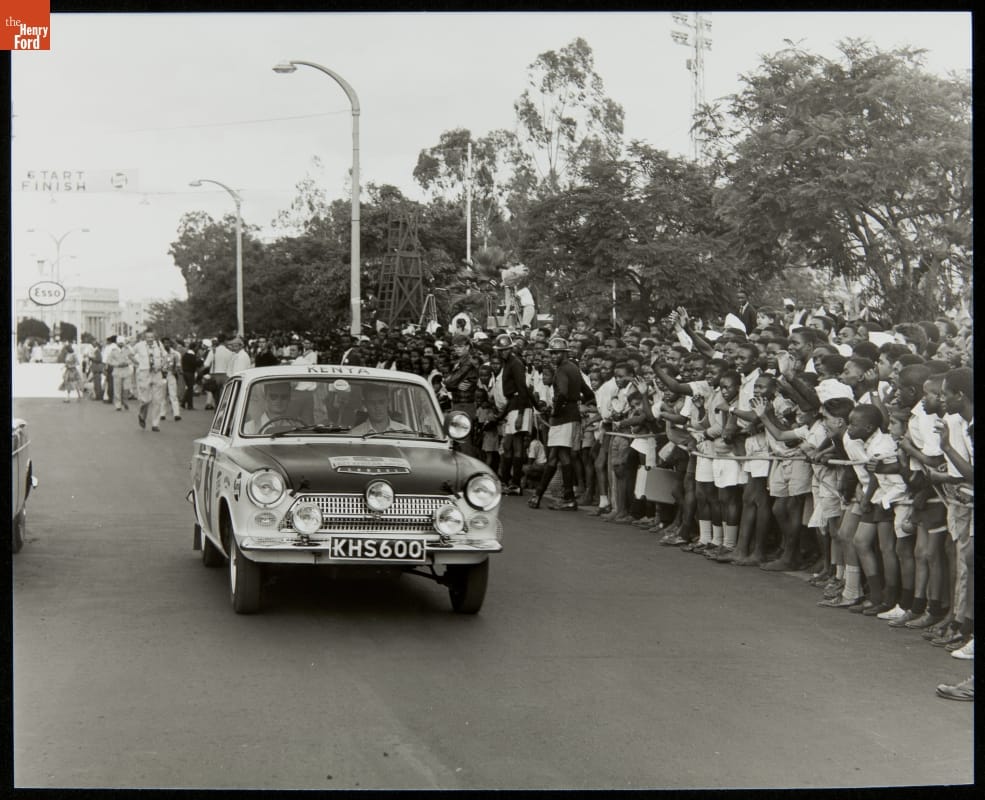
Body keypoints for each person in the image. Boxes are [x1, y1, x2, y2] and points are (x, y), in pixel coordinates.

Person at [527, 338, 591, 511]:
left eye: (557, 353)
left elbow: (562, 394)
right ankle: (542, 495)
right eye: (552, 352)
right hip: (569, 416)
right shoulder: (574, 369)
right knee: (557, 456)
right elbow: (588, 393)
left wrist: (556, 410)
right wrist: (580, 404)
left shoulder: (563, 370)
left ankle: (565, 498)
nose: (554, 355)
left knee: (561, 456)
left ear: (565, 353)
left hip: (563, 417)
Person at [132, 328, 167, 432]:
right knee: (145, 400)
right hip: (145, 373)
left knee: (157, 400)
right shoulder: (139, 345)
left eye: (152, 337)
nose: (150, 339)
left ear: (154, 337)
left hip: (157, 373)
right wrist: (137, 364)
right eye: (148, 337)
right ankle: (142, 415)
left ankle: (155, 424)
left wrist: (161, 366)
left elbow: (165, 357)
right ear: (144, 337)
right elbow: (129, 354)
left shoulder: (159, 345)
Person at [106, 335, 133, 411]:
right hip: (117, 370)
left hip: (126, 370)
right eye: (119, 343)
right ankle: (118, 405)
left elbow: (133, 359)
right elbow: (109, 361)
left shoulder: (128, 350)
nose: (121, 344)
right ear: (117, 343)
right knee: (117, 389)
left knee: (126, 388)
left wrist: (127, 363)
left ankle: (125, 401)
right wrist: (117, 364)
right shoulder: (113, 351)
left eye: (122, 343)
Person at [159, 337, 182, 422]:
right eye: (165, 343)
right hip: (161, 375)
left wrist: (177, 369)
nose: (166, 345)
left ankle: (176, 414)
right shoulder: (159, 353)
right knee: (162, 395)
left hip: (171, 374)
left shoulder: (175, 354)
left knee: (173, 395)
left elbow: (179, 365)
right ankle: (162, 414)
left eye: (168, 343)